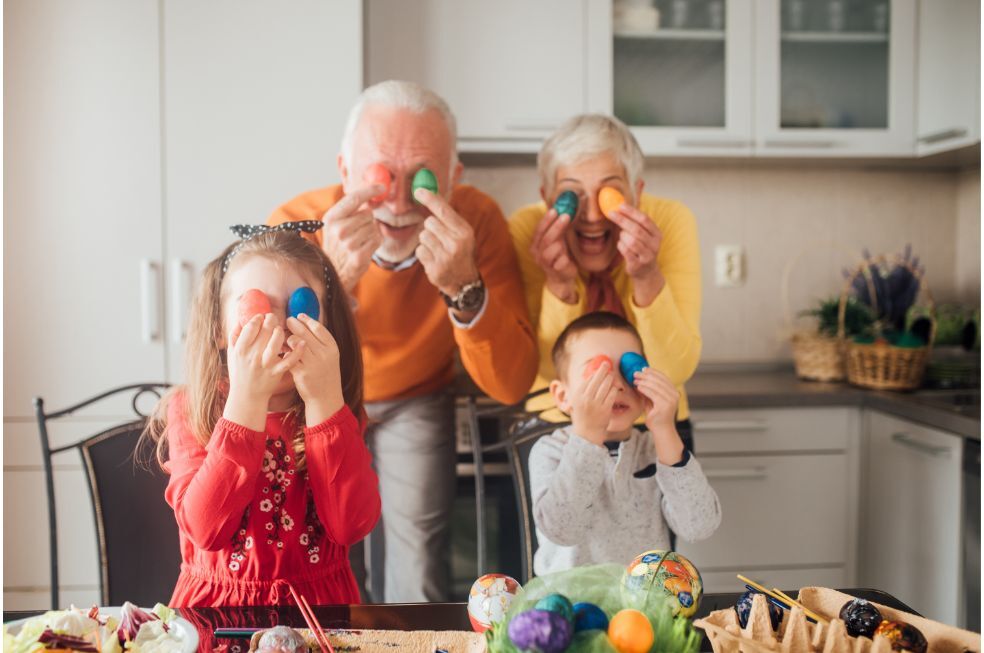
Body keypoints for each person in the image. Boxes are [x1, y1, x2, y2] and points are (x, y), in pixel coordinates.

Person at [268, 80, 537, 602]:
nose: (396, 201)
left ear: (453, 178)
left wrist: (464, 288)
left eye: (422, 179)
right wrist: (334, 284)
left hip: (417, 398)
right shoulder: (295, 227)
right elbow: (271, 374)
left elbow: (511, 384)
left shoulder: (476, 224)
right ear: (346, 171)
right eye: (380, 176)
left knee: (417, 564)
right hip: (316, 401)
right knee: (322, 553)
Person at [143, 225, 381, 606]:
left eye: (301, 309)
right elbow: (206, 530)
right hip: (218, 613)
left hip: (323, 613)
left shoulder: (337, 411)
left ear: (328, 328)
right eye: (256, 309)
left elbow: (352, 525)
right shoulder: (192, 409)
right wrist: (247, 400)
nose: (280, 329)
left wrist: (324, 403)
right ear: (219, 330)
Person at [508, 114, 701, 452]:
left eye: (609, 192)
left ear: (637, 192)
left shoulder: (670, 221)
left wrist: (647, 276)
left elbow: (673, 370)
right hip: (557, 420)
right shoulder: (529, 230)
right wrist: (559, 285)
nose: (593, 216)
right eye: (572, 194)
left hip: (654, 419)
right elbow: (548, 368)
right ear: (547, 196)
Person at [529, 312, 720, 576]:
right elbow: (563, 529)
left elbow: (698, 526)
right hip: (571, 597)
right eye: (599, 372)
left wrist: (665, 428)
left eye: (630, 370)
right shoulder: (550, 451)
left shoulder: (655, 448)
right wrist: (588, 434)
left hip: (644, 597)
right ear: (563, 396)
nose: (618, 384)